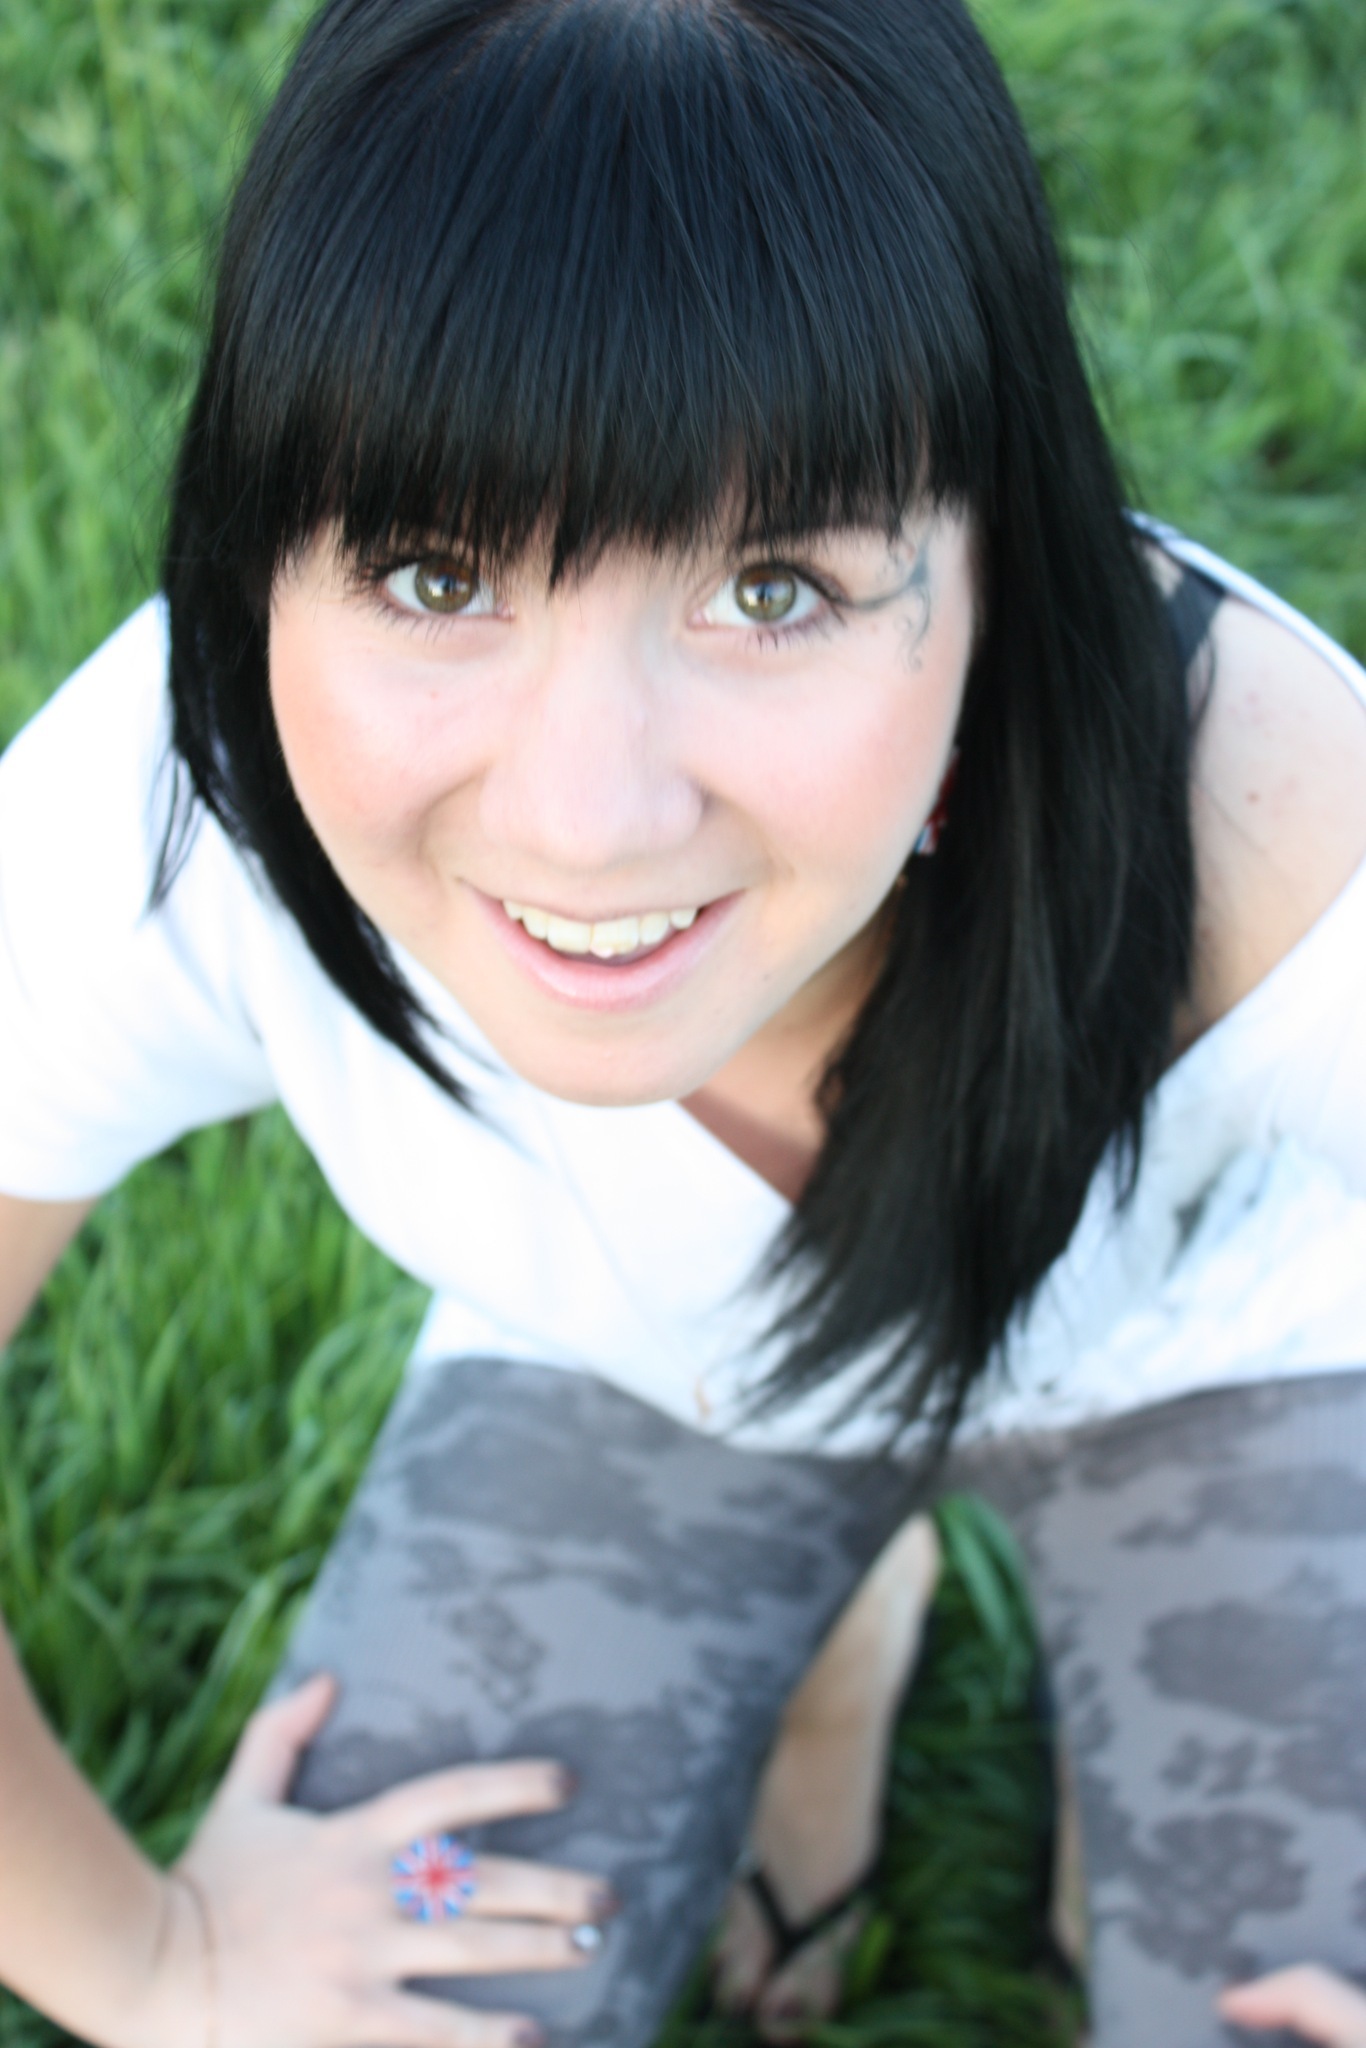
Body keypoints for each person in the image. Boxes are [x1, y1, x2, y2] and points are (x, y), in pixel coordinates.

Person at [0, 0, 1364, 2043]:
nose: (585, 817)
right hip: (627, 1384)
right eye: (430, 572)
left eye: (774, 589)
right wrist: (150, 1963)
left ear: (999, 559)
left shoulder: (1268, 813)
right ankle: (840, 1653)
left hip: (1222, 1365)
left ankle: (1133, 1776)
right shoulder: (170, 810)